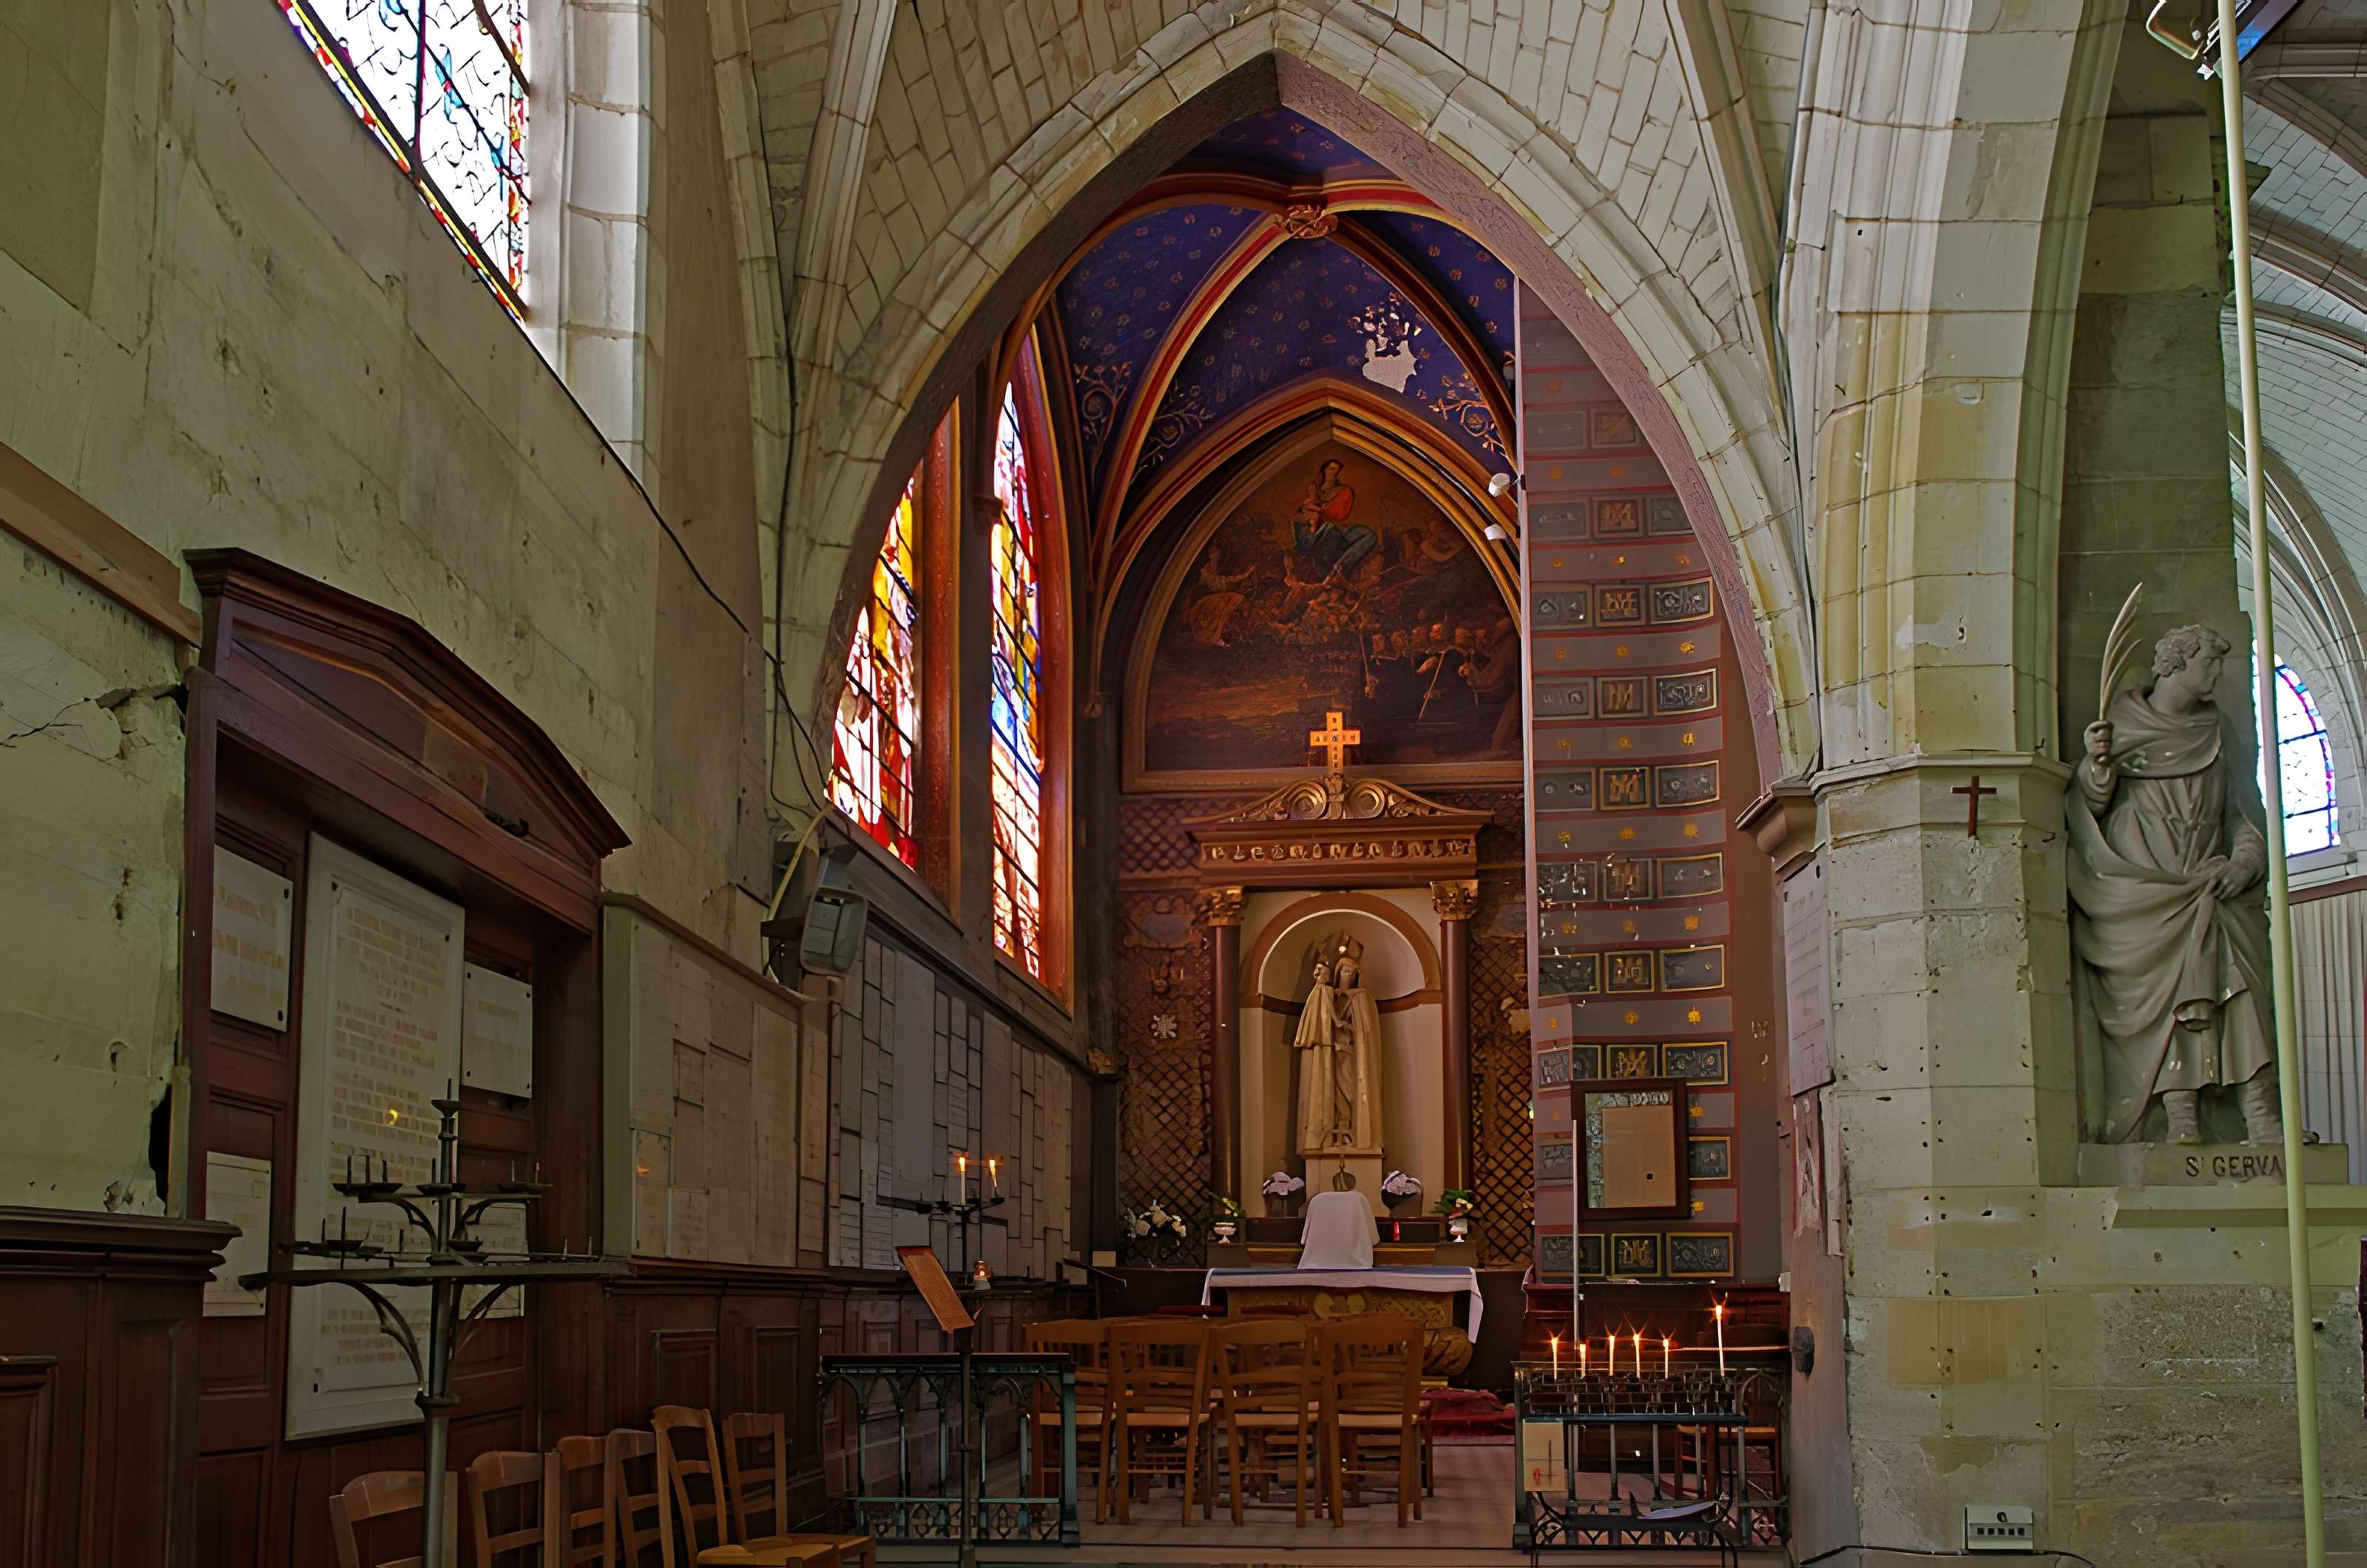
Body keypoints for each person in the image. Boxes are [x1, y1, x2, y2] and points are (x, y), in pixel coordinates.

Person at [2069, 624, 2279, 1144]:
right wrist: (2097, 767)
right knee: (2167, 1007)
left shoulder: (2220, 732)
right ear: (2176, 664)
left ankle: (2261, 1112)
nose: (2215, 674)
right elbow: (2088, 808)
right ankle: (2179, 1112)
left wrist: (2244, 865)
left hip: (2211, 885)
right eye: (2208, 663)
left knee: (2241, 992)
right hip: (2145, 896)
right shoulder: (2120, 726)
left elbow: (2244, 815)